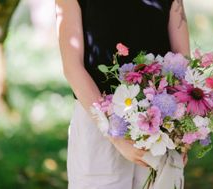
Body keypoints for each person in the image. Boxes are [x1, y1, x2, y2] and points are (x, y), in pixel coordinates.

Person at [55, 0, 190, 188]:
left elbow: (182, 59)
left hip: (160, 125)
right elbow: (72, 67)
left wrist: (182, 131)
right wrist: (114, 133)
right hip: (97, 121)